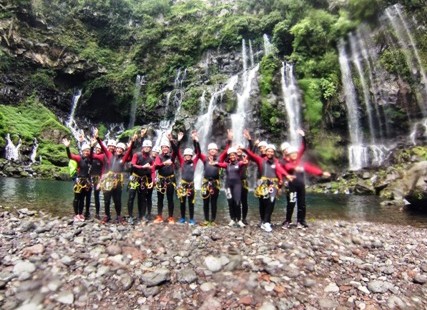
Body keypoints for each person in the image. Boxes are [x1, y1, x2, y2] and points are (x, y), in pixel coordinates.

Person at [243, 144, 292, 232]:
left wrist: (281, 181)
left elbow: (279, 171)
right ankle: (264, 221)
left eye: (272, 151)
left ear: (274, 152)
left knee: (271, 201)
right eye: (268, 151)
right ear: (265, 152)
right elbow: (252, 155)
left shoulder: (276, 161)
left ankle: (266, 222)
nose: (270, 153)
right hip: (263, 183)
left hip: (273, 183)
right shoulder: (260, 160)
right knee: (263, 202)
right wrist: (244, 149)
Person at [282, 146, 330, 229]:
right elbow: (287, 167)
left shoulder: (301, 163)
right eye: (292, 154)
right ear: (289, 155)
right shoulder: (287, 162)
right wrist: (294, 168)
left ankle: (300, 221)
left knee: (302, 204)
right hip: (292, 186)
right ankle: (288, 221)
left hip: (301, 186)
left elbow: (311, 169)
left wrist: (321, 173)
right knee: (291, 203)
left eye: (295, 153)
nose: (294, 155)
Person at [94, 128, 133, 224]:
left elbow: (129, 153)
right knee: (106, 199)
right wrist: (98, 138)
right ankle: (107, 215)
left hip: (118, 182)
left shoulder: (123, 159)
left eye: (121, 149)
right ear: (116, 149)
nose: (119, 150)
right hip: (108, 180)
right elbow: (103, 147)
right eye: (118, 148)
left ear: (123, 151)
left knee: (117, 200)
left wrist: (132, 144)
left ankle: (119, 216)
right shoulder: (110, 156)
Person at [193, 131, 227, 226]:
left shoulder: (219, 160)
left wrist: (230, 140)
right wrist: (196, 141)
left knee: (214, 202)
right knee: (205, 201)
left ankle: (213, 220)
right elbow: (198, 152)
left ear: (216, 151)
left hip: (215, 183)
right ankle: (206, 220)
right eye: (211, 150)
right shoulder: (204, 159)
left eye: (214, 150)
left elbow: (226, 151)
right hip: (205, 183)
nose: (212, 151)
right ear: (208, 151)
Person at [215, 146, 248, 228]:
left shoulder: (239, 163)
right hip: (228, 186)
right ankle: (232, 219)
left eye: (234, 155)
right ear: (229, 156)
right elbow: (220, 164)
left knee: (237, 202)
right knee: (230, 203)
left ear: (236, 156)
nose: (232, 156)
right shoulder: (227, 165)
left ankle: (239, 220)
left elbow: (243, 163)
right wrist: (214, 163)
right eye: (231, 155)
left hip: (237, 185)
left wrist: (245, 162)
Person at [62, 138, 92, 222]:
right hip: (79, 180)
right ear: (82, 151)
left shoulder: (89, 160)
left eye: (88, 151)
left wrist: (92, 146)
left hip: (86, 181)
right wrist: (67, 147)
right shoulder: (79, 158)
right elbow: (70, 156)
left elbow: (93, 153)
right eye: (85, 151)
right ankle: (76, 214)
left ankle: (80, 213)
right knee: (76, 198)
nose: (86, 152)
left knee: (82, 198)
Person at [153, 133, 181, 224]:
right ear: (161, 149)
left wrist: (171, 140)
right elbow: (156, 166)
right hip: (161, 179)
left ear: (169, 149)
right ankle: (159, 216)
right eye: (163, 147)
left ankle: (170, 217)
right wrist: (163, 164)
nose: (165, 148)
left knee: (170, 199)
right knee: (160, 198)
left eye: (167, 147)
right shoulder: (159, 157)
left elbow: (176, 151)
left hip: (170, 180)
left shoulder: (171, 157)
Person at [127, 138, 154, 225]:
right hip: (135, 178)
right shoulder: (137, 155)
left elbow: (153, 170)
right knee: (131, 197)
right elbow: (133, 165)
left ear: (150, 148)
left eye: (148, 147)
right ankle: (130, 216)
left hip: (143, 179)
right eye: (146, 147)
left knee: (142, 198)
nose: (147, 148)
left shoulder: (150, 159)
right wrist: (142, 167)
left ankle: (141, 215)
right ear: (143, 147)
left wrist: (153, 180)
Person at [176, 131, 200, 225]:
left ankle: (191, 219)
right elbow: (177, 152)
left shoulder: (193, 162)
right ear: (184, 156)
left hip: (191, 185)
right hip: (183, 184)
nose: (188, 157)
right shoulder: (182, 161)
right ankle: (182, 218)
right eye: (186, 155)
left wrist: (196, 141)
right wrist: (178, 141)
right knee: (182, 202)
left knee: (191, 203)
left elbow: (198, 153)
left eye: (189, 155)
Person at [89, 143, 104, 220]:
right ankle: (87, 212)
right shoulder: (92, 157)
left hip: (97, 178)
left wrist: (100, 182)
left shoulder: (102, 158)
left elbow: (102, 171)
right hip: (90, 177)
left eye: (99, 149)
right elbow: (91, 155)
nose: (98, 150)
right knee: (87, 195)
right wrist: (92, 147)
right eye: (97, 148)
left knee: (96, 195)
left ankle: (97, 213)